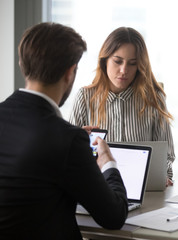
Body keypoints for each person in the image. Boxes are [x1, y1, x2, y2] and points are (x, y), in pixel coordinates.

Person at [0, 22, 128, 239]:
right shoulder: (66, 140)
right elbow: (113, 217)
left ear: (22, 64)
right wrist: (108, 162)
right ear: (70, 72)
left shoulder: (62, 137)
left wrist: (69, 138)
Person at [69, 27, 175, 186]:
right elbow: (68, 156)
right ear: (105, 60)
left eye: (132, 64)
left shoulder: (154, 99)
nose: (124, 70)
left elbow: (167, 155)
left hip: (145, 190)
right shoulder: (84, 97)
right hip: (98, 189)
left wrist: (163, 176)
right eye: (117, 61)